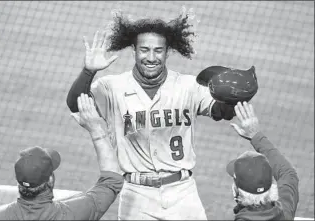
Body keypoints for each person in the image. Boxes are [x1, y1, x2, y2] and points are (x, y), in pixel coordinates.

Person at [66, 11, 236, 220]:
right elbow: (75, 104)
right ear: (134, 50)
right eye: (144, 50)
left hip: (183, 193)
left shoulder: (187, 86)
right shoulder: (112, 87)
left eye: (158, 50)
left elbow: (223, 112)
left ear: (167, 52)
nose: (151, 57)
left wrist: (233, 95)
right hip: (136, 196)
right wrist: (88, 71)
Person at [0, 94, 124, 220]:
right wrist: (95, 129)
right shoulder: (73, 213)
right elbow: (112, 181)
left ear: (19, 182)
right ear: (50, 180)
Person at [227, 101, 299, 220]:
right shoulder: (284, 210)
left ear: (237, 193)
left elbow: (288, 174)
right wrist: (256, 135)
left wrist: (255, 135)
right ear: (271, 188)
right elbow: (288, 173)